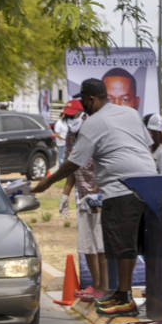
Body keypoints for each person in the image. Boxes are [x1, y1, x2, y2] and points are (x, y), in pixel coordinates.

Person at [32, 77, 157, 316]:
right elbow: (147, 144)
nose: (83, 107)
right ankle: (122, 292)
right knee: (134, 245)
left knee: (120, 245)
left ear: (91, 99)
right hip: (148, 184)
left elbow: (73, 163)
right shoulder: (130, 113)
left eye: (85, 102)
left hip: (120, 189)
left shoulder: (93, 123)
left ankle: (125, 297)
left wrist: (47, 182)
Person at [57, 100, 107, 300]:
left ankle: (104, 287)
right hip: (83, 198)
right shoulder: (70, 137)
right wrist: (65, 194)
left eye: (73, 116)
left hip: (100, 197)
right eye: (68, 117)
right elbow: (71, 167)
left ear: (83, 115)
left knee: (101, 245)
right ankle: (94, 286)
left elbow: (104, 167)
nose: (70, 120)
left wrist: (95, 194)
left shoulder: (95, 134)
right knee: (87, 245)